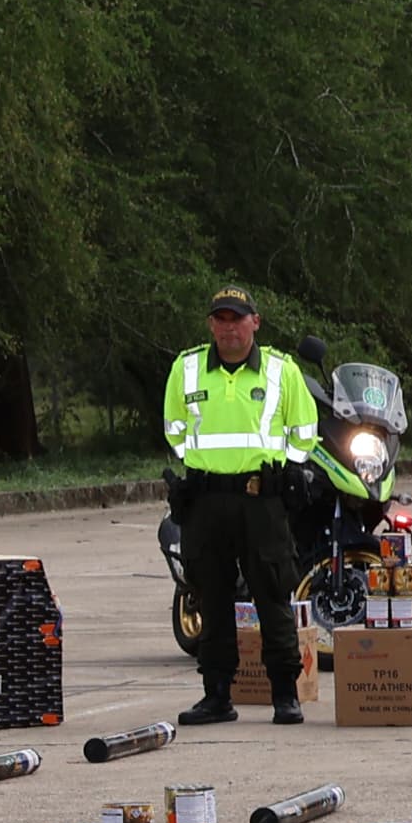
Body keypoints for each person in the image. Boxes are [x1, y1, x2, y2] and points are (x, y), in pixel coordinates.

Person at [162, 286, 323, 725]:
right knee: (209, 596)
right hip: (207, 500)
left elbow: (304, 429)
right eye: (221, 319)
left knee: (272, 593)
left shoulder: (280, 370)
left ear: (255, 322)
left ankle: (285, 695)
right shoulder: (187, 367)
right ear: (212, 324)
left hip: (261, 499)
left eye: (238, 318)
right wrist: (199, 465)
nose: (229, 327)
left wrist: (285, 470)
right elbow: (175, 430)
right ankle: (216, 695)